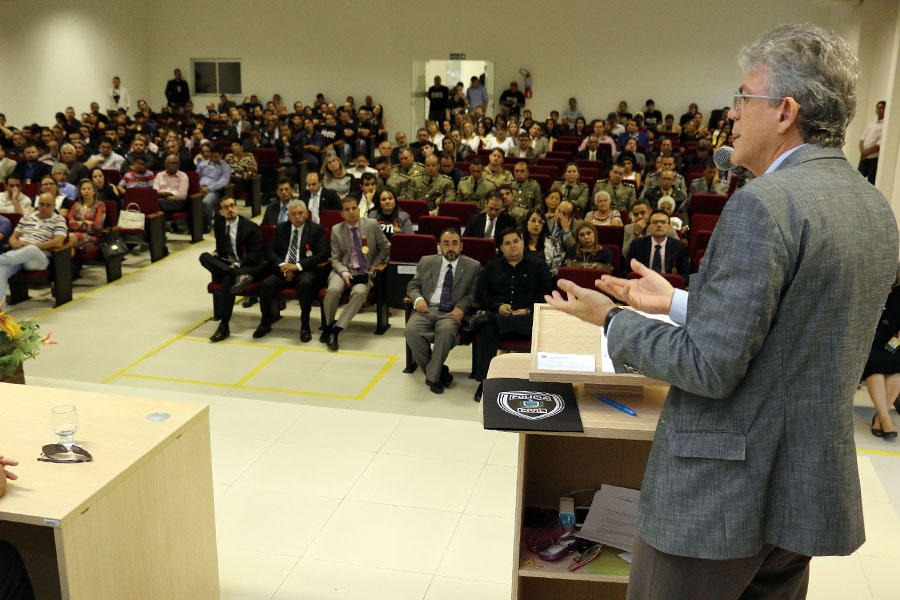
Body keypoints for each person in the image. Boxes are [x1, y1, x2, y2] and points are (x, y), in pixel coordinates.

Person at [545, 24, 898, 600]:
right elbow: (797, 329)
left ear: (785, 111)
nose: (730, 114)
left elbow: (709, 367)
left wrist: (611, 320)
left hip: (721, 496)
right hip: (802, 487)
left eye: (742, 98)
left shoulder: (763, 205)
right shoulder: (871, 205)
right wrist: (682, 302)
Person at [472, 228, 552, 400]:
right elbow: (480, 295)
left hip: (528, 319)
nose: (513, 246)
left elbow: (546, 295)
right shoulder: (492, 267)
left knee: (489, 322)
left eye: (516, 241)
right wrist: (497, 306)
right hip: (501, 315)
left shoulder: (538, 265)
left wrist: (528, 309)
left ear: (523, 242)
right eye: (507, 243)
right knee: (488, 329)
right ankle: (485, 382)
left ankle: (491, 320)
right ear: (501, 247)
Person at [406, 228, 482, 393]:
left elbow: (474, 294)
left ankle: (433, 378)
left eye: (455, 243)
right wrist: (418, 299)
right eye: (446, 243)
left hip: (451, 311)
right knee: (411, 331)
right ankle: (439, 372)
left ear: (461, 246)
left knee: (446, 332)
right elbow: (413, 285)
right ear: (440, 246)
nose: (450, 247)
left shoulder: (473, 266)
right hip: (427, 308)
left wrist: (461, 308)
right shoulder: (426, 261)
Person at [254, 200, 329, 343]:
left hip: (305, 270)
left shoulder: (316, 229)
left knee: (305, 284)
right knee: (265, 285)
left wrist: (298, 266)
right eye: (294, 214)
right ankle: (265, 322)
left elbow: (322, 254)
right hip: (283, 269)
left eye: (301, 213)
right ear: (288, 216)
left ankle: (305, 326)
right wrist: (282, 264)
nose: (298, 217)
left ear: (306, 214)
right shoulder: (281, 228)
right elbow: (270, 251)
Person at [321, 196, 389, 351]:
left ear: (359, 210)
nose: (351, 212)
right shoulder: (337, 230)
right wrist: (344, 274)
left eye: (354, 208)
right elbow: (336, 258)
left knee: (359, 293)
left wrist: (373, 266)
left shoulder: (371, 225)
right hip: (342, 270)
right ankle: (328, 325)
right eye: (347, 209)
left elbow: (385, 247)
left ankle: (336, 330)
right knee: (332, 290)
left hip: (364, 271)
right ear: (342, 214)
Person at [199, 197, 264, 342]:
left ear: (237, 208)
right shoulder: (220, 225)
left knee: (228, 278)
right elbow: (222, 248)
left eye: (232, 206)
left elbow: (256, 255)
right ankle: (234, 274)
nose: (230, 209)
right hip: (229, 264)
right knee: (204, 256)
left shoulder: (250, 227)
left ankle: (224, 325)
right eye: (226, 207)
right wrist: (216, 253)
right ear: (221, 212)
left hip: (248, 264)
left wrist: (237, 264)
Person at [0, 193, 67, 302]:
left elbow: (58, 242)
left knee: (31, 249)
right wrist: (14, 243)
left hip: (39, 258)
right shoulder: (27, 217)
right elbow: (13, 237)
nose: (44, 208)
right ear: (37, 204)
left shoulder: (59, 219)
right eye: (42, 204)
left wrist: (35, 245)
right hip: (18, 256)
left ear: (54, 206)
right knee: (1, 270)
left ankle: (1, 259)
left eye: (48, 205)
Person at [863, 271, 900, 437]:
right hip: (868, 342)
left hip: (893, 342)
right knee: (875, 364)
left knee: (897, 366)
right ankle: (885, 418)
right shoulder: (870, 290)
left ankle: (880, 417)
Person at [624, 209, 690, 283]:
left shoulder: (680, 247)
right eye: (655, 222)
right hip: (643, 286)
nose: (659, 225)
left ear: (669, 227)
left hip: (668, 287)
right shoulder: (637, 245)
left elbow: (685, 275)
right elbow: (627, 271)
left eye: (663, 222)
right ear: (649, 227)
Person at [67, 179, 106, 262]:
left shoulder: (100, 205)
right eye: (83, 189)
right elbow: (68, 222)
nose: (86, 191)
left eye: (89, 189)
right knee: (68, 243)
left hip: (92, 237)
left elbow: (97, 226)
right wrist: (84, 223)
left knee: (69, 239)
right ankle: (71, 269)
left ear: (94, 191)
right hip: (74, 235)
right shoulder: (76, 205)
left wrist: (77, 224)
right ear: (80, 192)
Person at [197, 143, 231, 232]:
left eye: (216, 156)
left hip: (214, 190)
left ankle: (207, 224)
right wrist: (198, 186)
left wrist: (209, 188)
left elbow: (223, 181)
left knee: (206, 201)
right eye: (211, 156)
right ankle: (193, 224)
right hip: (199, 188)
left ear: (221, 155)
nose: (213, 158)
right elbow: (196, 176)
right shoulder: (202, 164)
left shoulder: (225, 166)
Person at [523, 208, 562, 276]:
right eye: (533, 220)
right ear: (527, 221)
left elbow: (557, 269)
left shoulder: (553, 242)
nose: (537, 224)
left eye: (541, 222)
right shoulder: (518, 240)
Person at [858, 100, 885, 185]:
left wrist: (867, 152)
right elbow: (862, 139)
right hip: (864, 158)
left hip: (874, 159)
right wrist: (863, 152)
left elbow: (879, 144)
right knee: (857, 181)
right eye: (878, 107)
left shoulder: (885, 126)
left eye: (882, 108)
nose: (879, 110)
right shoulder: (871, 124)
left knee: (871, 183)